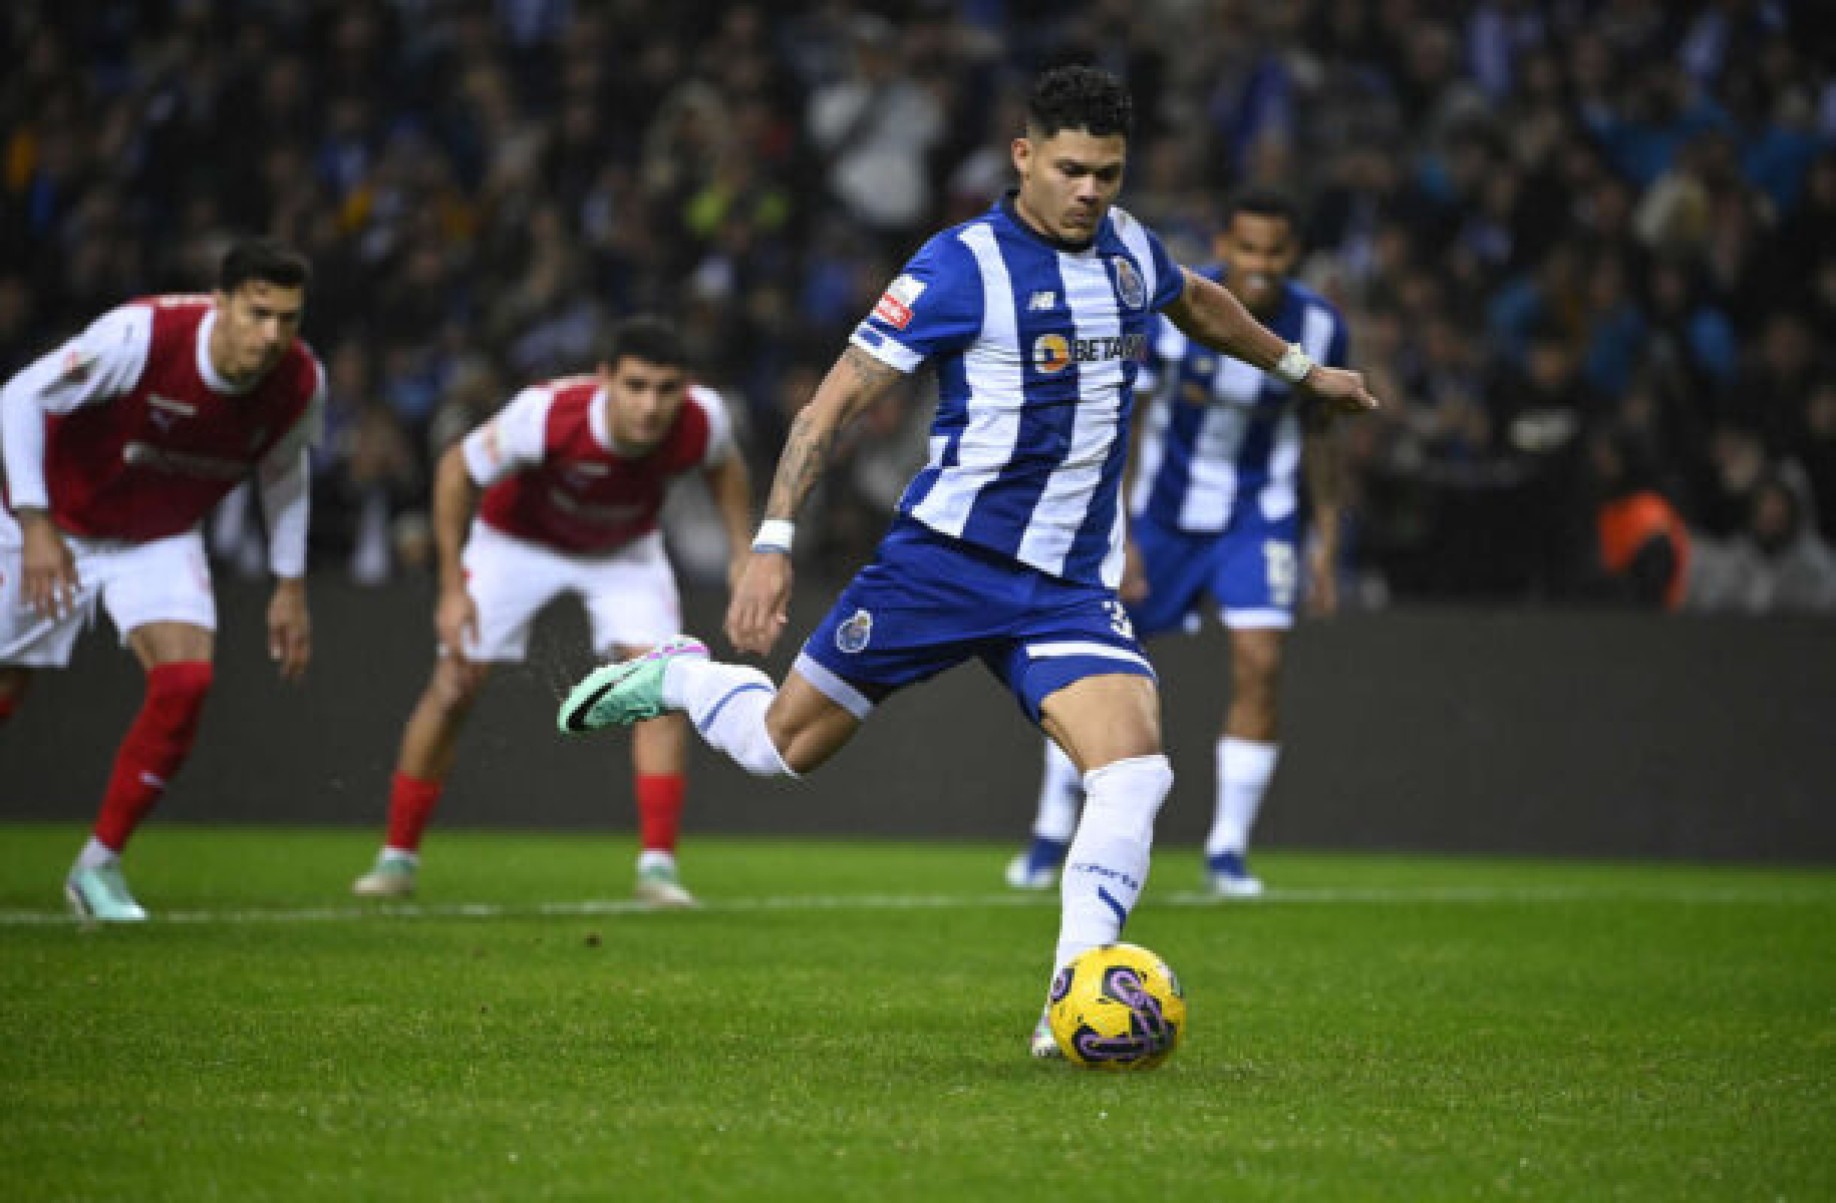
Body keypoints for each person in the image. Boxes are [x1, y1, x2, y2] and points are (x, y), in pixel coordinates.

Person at [557, 67, 1377, 1057]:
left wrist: (1301, 369)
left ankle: (1065, 1013)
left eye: (1107, 175)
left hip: (1066, 585)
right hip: (940, 565)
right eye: (1071, 169)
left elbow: (1196, 299)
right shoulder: (960, 267)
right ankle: (681, 676)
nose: (1089, 192)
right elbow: (834, 404)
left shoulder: (1126, 250)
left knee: (1134, 773)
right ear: (1024, 157)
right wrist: (772, 541)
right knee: (783, 750)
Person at [1005, 187, 1353, 899]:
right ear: (1223, 245)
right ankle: (1050, 826)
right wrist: (1119, 528)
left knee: (1261, 660)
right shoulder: (1174, 312)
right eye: (1247, 247)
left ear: (1293, 254)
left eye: (1274, 250)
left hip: (1261, 517)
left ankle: (1227, 849)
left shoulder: (1320, 323)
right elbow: (1128, 424)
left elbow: (1323, 436)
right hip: (1160, 517)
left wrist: (1326, 540)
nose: (1259, 263)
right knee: (1091, 666)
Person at [350, 316, 753, 907]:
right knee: (455, 685)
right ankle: (396, 857)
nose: (651, 406)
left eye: (667, 389)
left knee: (663, 689)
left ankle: (658, 870)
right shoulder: (545, 415)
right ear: (604, 380)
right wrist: (452, 589)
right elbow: (455, 471)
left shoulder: (704, 417)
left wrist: (742, 550)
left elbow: (726, 467)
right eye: (636, 386)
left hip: (624, 551)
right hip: (517, 543)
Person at [0, 237, 323, 921]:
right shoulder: (141, 335)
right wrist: (34, 523)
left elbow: (286, 471)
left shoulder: (299, 381)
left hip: (156, 535)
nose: (273, 336)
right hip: (48, 518)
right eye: (258, 313)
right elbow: (18, 396)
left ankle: (98, 867)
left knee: (186, 681)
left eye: (288, 319)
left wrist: (288, 582)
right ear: (221, 303)